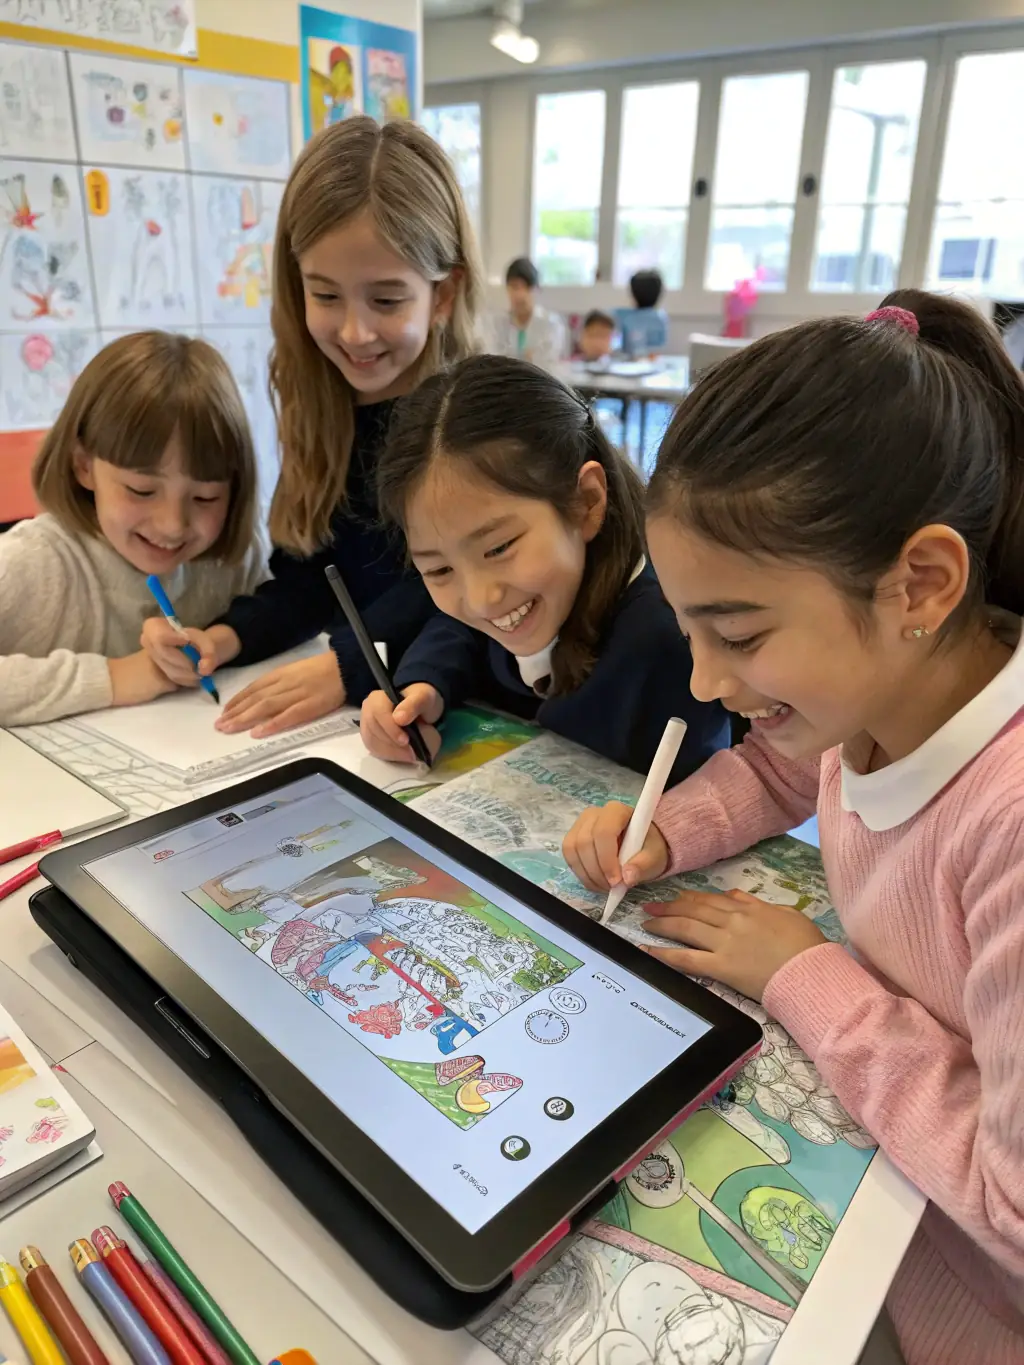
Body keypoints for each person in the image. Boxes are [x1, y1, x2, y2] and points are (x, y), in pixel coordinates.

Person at [562, 291, 1024, 1365]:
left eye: (740, 633)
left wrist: (806, 973)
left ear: (920, 583)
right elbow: (783, 765)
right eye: (687, 629)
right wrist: (667, 832)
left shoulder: (1006, 821)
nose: (705, 680)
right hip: (874, 1218)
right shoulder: (881, 691)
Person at [141, 116, 482, 737]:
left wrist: (352, 663)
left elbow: (477, 591)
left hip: (473, 705)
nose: (355, 333)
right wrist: (226, 636)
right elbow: (311, 577)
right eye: (326, 296)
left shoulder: (482, 421)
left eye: (385, 300)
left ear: (444, 294)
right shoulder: (321, 404)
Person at [360, 354, 730, 783]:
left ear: (586, 502)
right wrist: (423, 688)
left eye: (498, 548)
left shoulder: (666, 642)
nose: (481, 598)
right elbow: (460, 634)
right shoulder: (531, 597)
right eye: (440, 570)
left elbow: (706, 792)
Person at [0, 332, 265, 727]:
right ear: (83, 466)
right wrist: (117, 677)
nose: (172, 525)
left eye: (206, 498)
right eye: (141, 490)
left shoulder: (233, 559)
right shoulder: (32, 563)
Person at [491, 257, 566, 372]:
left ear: (536, 289)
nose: (520, 294)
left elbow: (547, 365)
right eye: (514, 287)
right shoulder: (498, 323)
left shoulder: (551, 324)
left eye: (526, 287)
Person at [616, 269, 669, 358]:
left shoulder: (621, 316)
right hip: (651, 365)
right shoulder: (661, 318)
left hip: (625, 363)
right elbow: (659, 349)